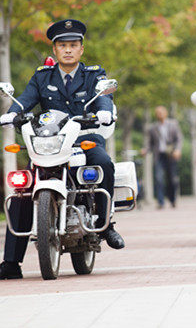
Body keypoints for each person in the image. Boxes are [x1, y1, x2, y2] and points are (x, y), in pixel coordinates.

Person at [0, 19, 124, 280]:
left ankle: (105, 224)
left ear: (81, 49)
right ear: (54, 50)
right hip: (49, 144)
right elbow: (24, 100)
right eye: (62, 45)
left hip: (84, 140)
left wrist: (104, 113)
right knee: (24, 189)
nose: (68, 50)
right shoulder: (42, 76)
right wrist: (11, 115)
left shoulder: (94, 75)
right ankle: (11, 262)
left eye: (73, 45)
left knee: (104, 163)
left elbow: (103, 98)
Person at [145, 106, 183, 208]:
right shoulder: (153, 127)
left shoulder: (173, 124)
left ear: (165, 113)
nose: (159, 114)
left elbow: (179, 139)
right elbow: (150, 143)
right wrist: (145, 150)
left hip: (171, 155)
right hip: (159, 156)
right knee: (159, 179)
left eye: (161, 112)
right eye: (157, 113)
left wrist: (177, 150)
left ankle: (172, 199)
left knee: (172, 179)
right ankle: (161, 202)